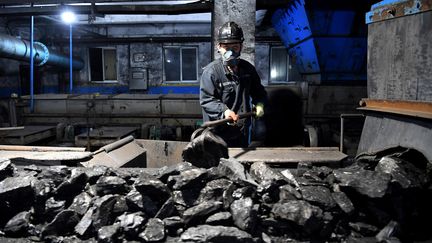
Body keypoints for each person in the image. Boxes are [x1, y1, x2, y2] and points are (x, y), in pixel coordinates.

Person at [200, 21, 267, 147]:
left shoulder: (248, 70)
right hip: (217, 134)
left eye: (235, 47)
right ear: (219, 47)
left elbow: (259, 93)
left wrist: (260, 105)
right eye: (226, 47)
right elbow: (207, 100)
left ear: (241, 47)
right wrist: (224, 112)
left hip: (241, 133)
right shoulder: (211, 73)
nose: (230, 53)